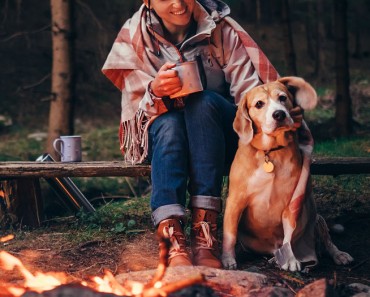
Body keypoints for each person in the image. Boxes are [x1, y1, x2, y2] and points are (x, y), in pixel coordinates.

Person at [102, 0, 298, 268]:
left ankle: (205, 231)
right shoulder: (135, 36)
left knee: (202, 102)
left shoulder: (220, 30)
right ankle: (171, 237)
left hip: (222, 138)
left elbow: (253, 95)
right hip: (167, 141)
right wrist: (156, 90)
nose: (178, 3)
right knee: (171, 124)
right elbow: (137, 115)